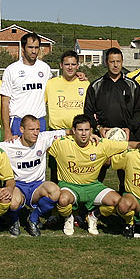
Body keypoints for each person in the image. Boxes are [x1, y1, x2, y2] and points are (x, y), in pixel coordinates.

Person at [48, 114, 135, 236]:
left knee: (117, 201)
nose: (84, 134)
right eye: (80, 130)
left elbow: (130, 145)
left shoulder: (101, 144)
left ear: (91, 131)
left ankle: (93, 216)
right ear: (73, 131)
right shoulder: (61, 144)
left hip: (92, 186)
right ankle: (68, 217)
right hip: (70, 186)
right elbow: (40, 140)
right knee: (62, 200)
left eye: (87, 130)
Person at [84, 47, 140, 192]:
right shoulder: (96, 85)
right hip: (103, 137)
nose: (115, 65)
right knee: (98, 172)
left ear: (122, 62)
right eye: (112, 62)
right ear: (106, 63)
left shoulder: (132, 85)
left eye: (118, 61)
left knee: (126, 173)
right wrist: (98, 128)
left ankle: (125, 202)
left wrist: (130, 128)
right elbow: (88, 111)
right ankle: (94, 202)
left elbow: (139, 111)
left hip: (126, 136)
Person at [3, 115, 69, 236]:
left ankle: (33, 219)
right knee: (13, 202)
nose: (36, 133)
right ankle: (14, 221)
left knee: (55, 192)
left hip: (37, 186)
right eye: (31, 129)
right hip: (18, 186)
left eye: (37, 129)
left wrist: (91, 134)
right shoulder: (9, 145)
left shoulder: (43, 139)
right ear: (22, 130)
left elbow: (68, 132)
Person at [45, 50, 89, 183]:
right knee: (55, 169)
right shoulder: (51, 84)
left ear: (78, 66)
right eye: (67, 64)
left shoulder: (85, 84)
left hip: (77, 133)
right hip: (57, 133)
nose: (70, 67)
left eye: (73, 64)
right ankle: (54, 199)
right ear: (61, 65)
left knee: (77, 168)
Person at [1, 33, 51, 142]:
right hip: (18, 122)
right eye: (30, 47)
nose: (34, 51)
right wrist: (7, 131)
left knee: (38, 156)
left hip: (39, 121)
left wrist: (77, 75)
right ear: (23, 48)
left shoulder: (45, 68)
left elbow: (57, 84)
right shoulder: (11, 70)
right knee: (17, 157)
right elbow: (5, 103)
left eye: (36, 47)